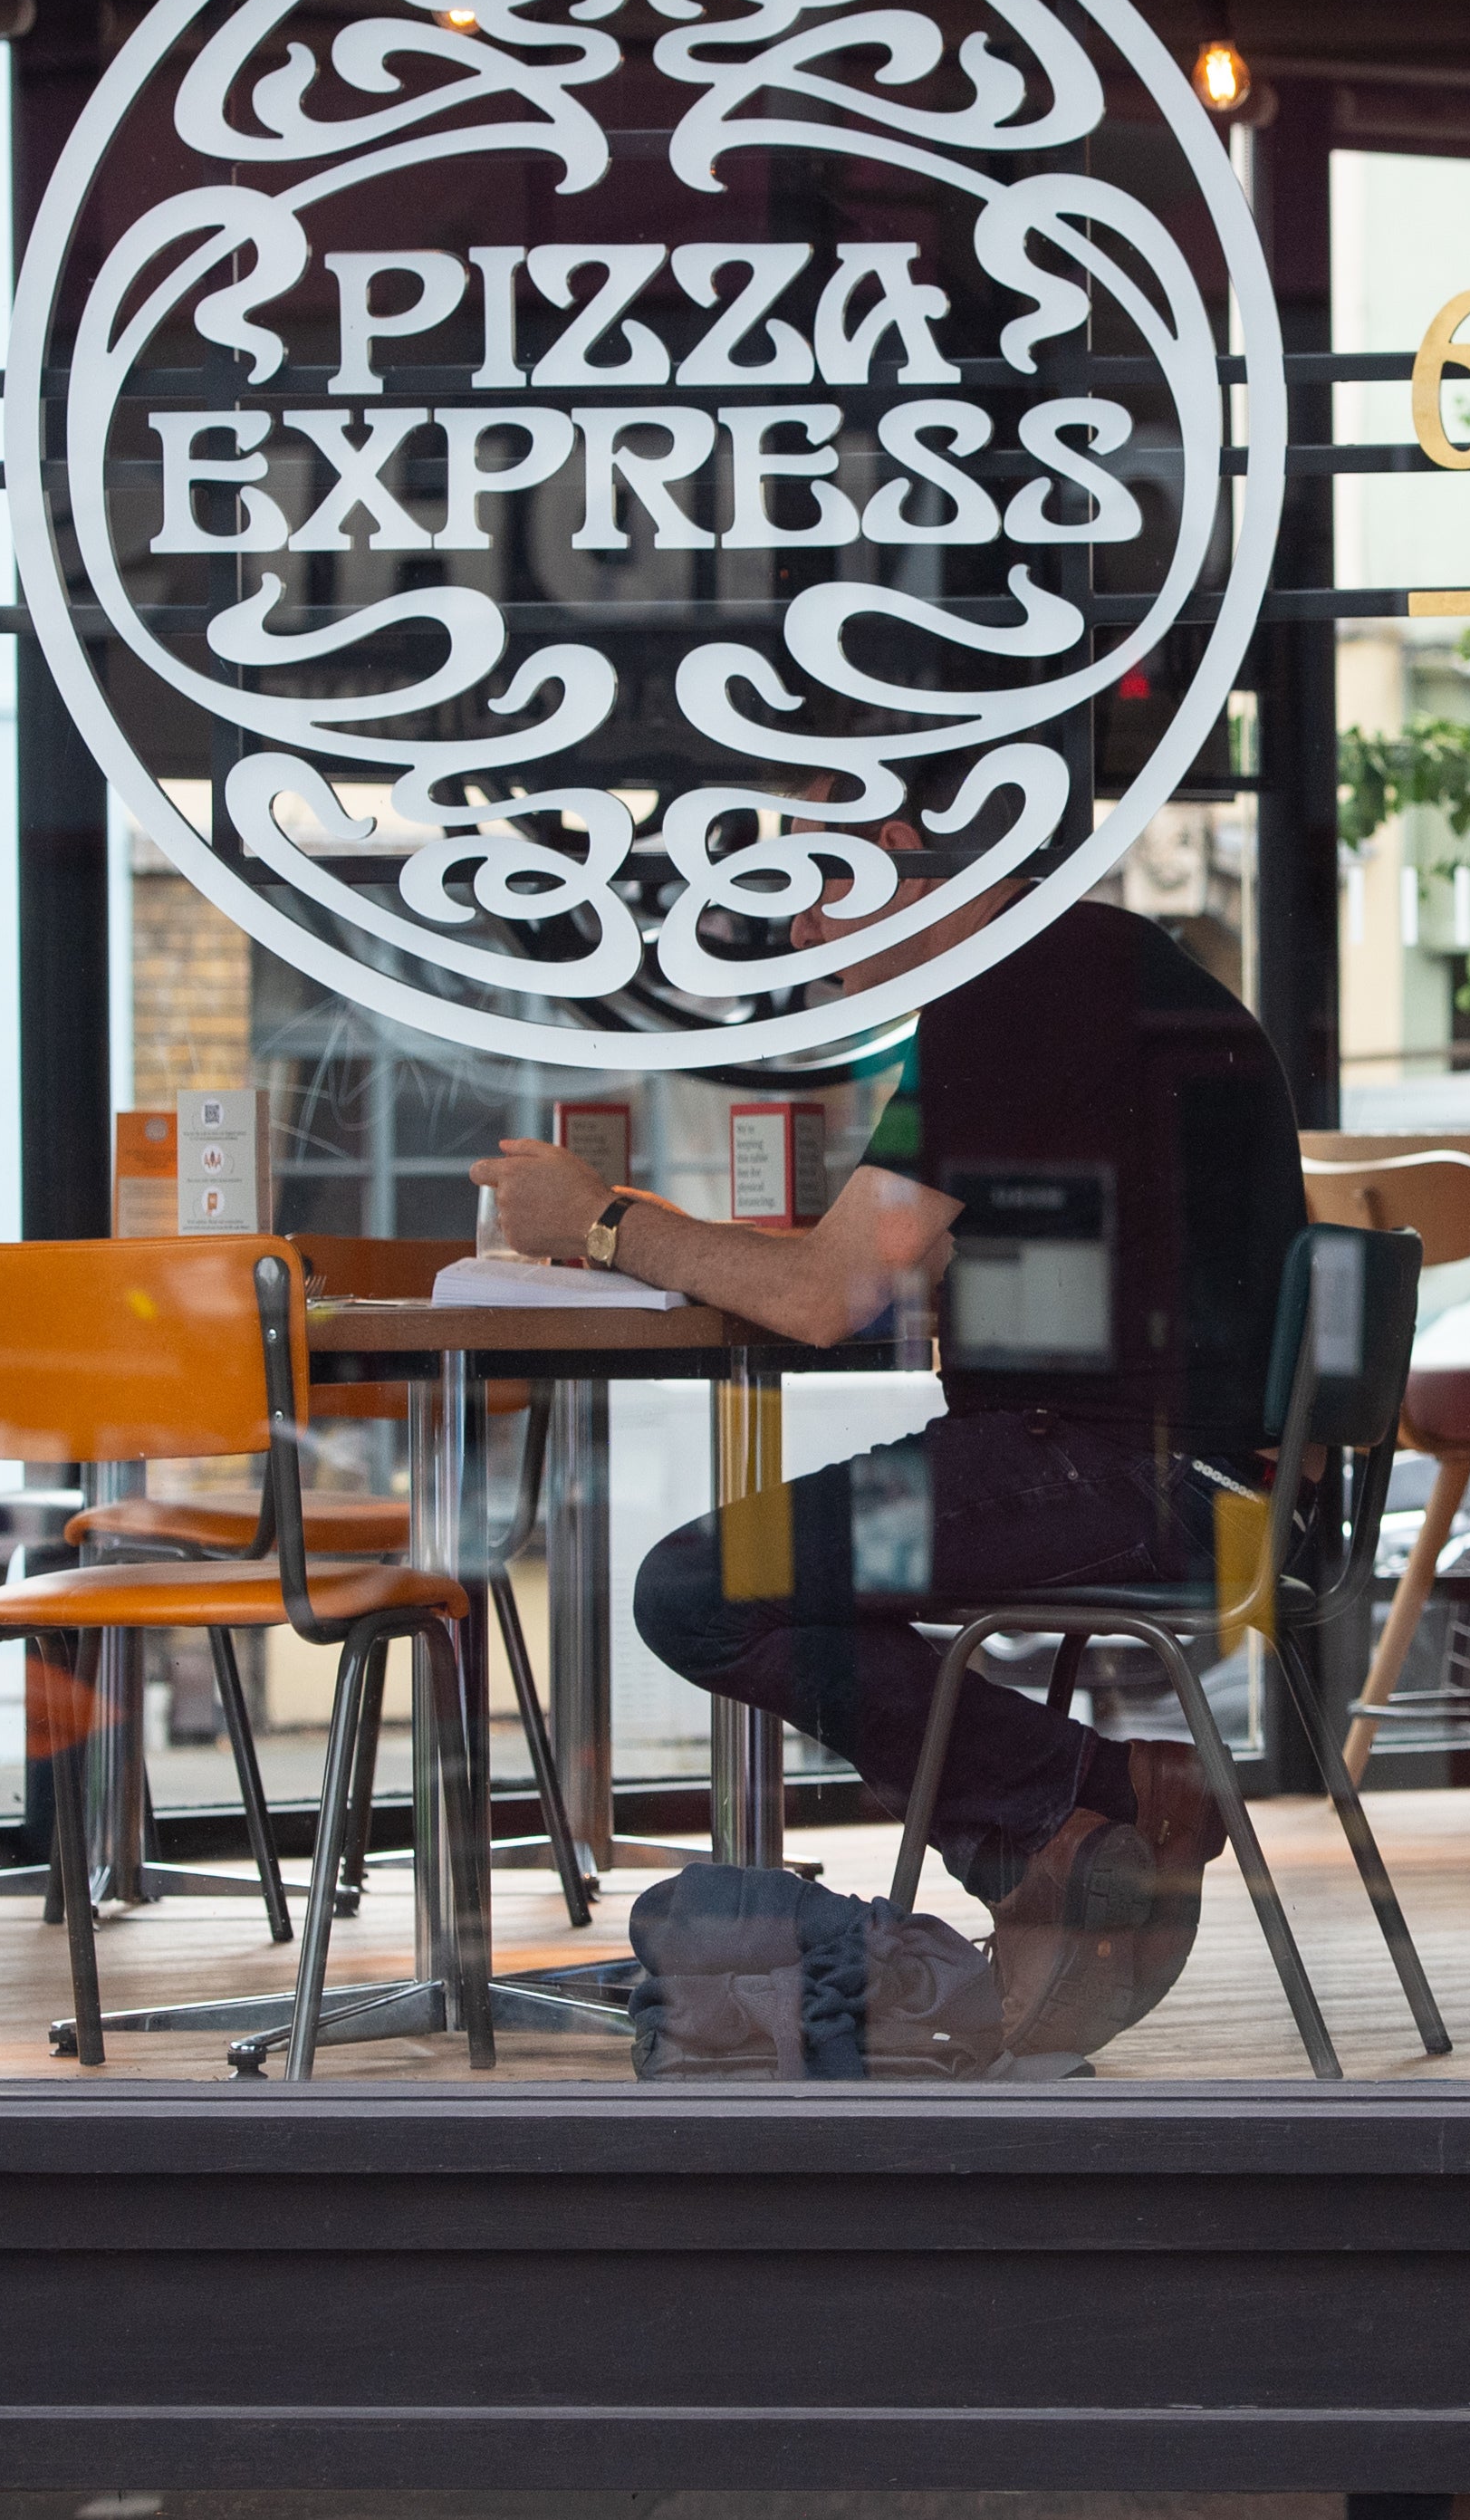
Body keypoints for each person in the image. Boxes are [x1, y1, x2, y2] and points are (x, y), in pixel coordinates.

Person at [470, 793, 1307, 2063]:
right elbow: (866, 1261)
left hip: (1131, 1468)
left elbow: (824, 1294)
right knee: (773, 1574)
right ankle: (1092, 1805)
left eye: (815, 878)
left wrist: (602, 1220)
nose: (803, 922)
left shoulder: (1027, 982)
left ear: (906, 852)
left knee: (700, 1587)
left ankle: (1080, 1810)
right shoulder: (1067, 970)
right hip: (1147, 1456)